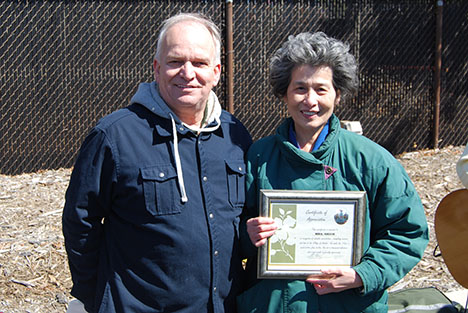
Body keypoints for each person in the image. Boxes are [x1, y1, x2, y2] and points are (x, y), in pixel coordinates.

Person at [62, 13, 252, 313]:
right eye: (176, 61)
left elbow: (240, 224)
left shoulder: (234, 135)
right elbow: (80, 220)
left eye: (200, 63)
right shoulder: (115, 136)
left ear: (216, 72)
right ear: (156, 68)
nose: (187, 73)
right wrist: (93, 294)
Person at [238, 32, 429, 313]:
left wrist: (364, 274)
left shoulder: (370, 160)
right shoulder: (259, 157)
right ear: (285, 93)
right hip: (275, 304)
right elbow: (224, 230)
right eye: (300, 88)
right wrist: (247, 235)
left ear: (338, 95)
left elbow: (407, 232)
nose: (310, 100)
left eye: (321, 89)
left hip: (346, 305)